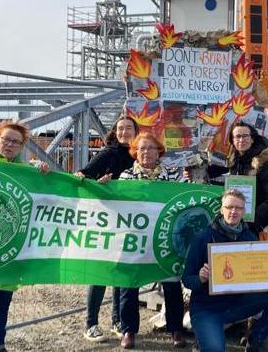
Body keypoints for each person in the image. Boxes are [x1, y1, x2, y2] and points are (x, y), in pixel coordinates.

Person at [0, 120, 49, 352]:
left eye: (16, 142)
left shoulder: (22, 168)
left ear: (22, 146)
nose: (10, 145)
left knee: (3, 298)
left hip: (9, 243)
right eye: (6, 139)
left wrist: (41, 172)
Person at [183, 190, 268, 352]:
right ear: (221, 209)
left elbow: (257, 277)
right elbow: (187, 279)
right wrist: (201, 278)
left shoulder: (249, 237)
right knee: (215, 349)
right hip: (207, 308)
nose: (233, 211)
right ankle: (203, 336)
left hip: (236, 304)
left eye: (238, 208)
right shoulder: (203, 237)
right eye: (229, 207)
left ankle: (256, 339)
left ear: (244, 211)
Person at [115, 132, 188, 349]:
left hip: (166, 238)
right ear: (135, 152)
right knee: (129, 284)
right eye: (142, 148)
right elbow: (120, 205)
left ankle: (175, 329)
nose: (146, 152)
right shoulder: (126, 176)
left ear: (159, 151)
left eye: (151, 148)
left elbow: (184, 201)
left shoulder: (175, 175)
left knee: (172, 283)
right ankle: (128, 330)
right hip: (135, 239)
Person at [76, 116, 138, 343]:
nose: (124, 132)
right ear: (114, 132)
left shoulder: (136, 155)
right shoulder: (108, 153)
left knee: (120, 272)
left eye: (129, 128)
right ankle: (91, 323)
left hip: (129, 223)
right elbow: (83, 176)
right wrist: (98, 184)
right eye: (120, 128)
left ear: (135, 131)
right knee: (99, 271)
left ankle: (117, 320)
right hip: (107, 221)